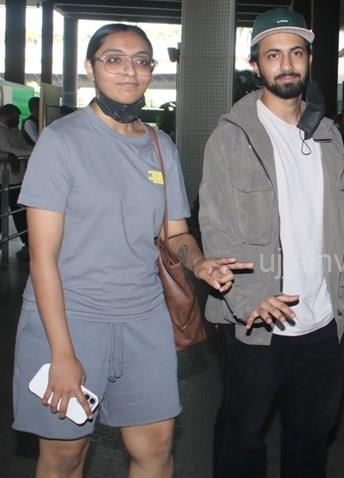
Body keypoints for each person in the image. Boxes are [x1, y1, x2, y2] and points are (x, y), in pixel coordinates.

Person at [11, 23, 251, 478]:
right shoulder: (61, 141)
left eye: (141, 61)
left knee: (156, 447)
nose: (129, 70)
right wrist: (62, 353)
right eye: (114, 59)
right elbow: (42, 259)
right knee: (65, 456)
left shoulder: (160, 146)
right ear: (91, 68)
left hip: (145, 319)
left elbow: (175, 234)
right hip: (71, 318)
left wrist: (199, 262)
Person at [199, 8, 344, 477]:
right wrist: (250, 298)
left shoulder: (328, 135)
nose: (286, 64)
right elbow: (215, 227)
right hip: (258, 319)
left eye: (296, 53)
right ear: (256, 65)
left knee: (311, 442)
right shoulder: (230, 137)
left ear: (308, 60)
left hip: (323, 319)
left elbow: (342, 223)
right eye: (273, 55)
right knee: (242, 441)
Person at [0, 103, 33, 260]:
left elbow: (21, 146)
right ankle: (25, 243)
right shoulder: (1, 130)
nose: (18, 119)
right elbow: (9, 149)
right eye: (15, 117)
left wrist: (30, 151)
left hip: (16, 179)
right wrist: (33, 152)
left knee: (18, 213)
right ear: (6, 116)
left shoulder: (14, 130)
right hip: (5, 179)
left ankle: (27, 243)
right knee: (14, 213)